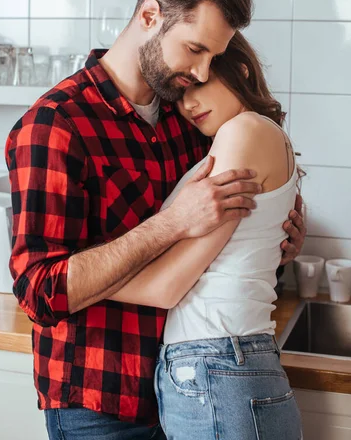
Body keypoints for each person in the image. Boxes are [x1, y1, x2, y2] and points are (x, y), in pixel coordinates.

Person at [5, 0, 306, 440]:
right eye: (195, 50)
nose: (204, 72)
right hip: (100, 404)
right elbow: (40, 291)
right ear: (150, 16)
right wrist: (173, 222)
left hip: (184, 387)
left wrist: (278, 234)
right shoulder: (56, 125)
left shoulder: (186, 117)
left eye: (215, 57)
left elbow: (220, 249)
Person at [107, 31, 304, 439]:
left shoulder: (244, 132)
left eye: (199, 85)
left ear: (242, 71)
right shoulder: (257, 136)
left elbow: (167, 287)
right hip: (225, 364)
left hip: (219, 362)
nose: (188, 104)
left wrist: (72, 276)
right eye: (180, 95)